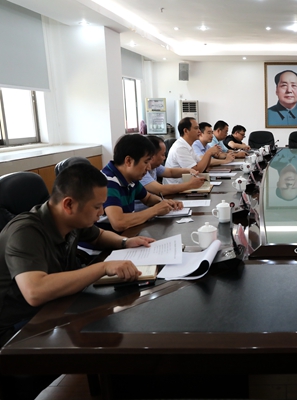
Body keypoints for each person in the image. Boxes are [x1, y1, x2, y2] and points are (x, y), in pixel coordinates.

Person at [0, 164, 154, 398]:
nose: (101, 213)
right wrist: (102, 267)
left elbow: (98, 235)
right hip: (13, 328)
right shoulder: (25, 232)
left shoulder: (68, 220)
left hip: (49, 309)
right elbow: (35, 291)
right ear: (69, 204)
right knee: (112, 331)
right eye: (97, 207)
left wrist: (125, 242)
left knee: (119, 320)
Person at [101, 134, 182, 232]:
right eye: (146, 162)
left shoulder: (131, 178)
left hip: (127, 234)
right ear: (128, 161)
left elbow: (147, 198)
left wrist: (164, 203)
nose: (149, 168)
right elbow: (119, 222)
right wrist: (155, 210)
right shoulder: (108, 182)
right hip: (108, 240)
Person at [142, 135, 206, 196]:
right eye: (163, 155)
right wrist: (190, 185)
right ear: (152, 156)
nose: (164, 158)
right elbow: (161, 190)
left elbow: (171, 172)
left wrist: (189, 170)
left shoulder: (154, 167)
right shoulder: (142, 171)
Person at [164, 117, 221, 184]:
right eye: (196, 128)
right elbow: (196, 171)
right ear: (186, 131)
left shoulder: (188, 145)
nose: (199, 131)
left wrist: (210, 154)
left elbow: (203, 166)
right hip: (177, 188)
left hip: (188, 184)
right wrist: (209, 152)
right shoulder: (180, 147)